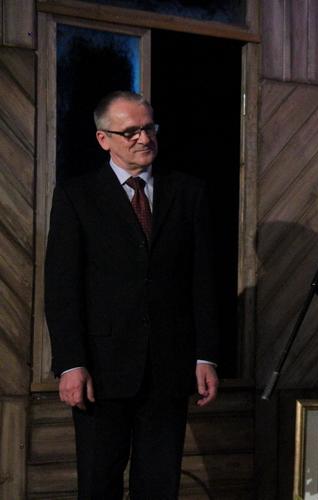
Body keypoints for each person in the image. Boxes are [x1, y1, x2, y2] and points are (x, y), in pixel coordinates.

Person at [44, 91, 220, 499]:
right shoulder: (77, 196)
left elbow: (203, 282)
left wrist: (206, 355)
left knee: (159, 486)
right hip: (101, 372)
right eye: (131, 132)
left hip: (168, 369)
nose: (144, 138)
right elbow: (62, 287)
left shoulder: (187, 192)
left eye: (149, 128)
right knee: (98, 484)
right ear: (103, 139)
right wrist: (70, 363)